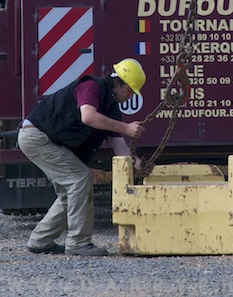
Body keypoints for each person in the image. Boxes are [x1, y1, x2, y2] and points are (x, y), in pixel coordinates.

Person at [17, 58, 146, 257]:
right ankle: (78, 242)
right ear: (118, 82)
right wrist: (126, 128)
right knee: (80, 178)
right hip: (37, 136)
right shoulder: (91, 87)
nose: (129, 96)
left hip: (45, 139)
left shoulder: (111, 108)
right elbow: (88, 116)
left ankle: (40, 241)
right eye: (129, 91)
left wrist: (138, 164)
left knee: (70, 192)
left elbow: (119, 147)